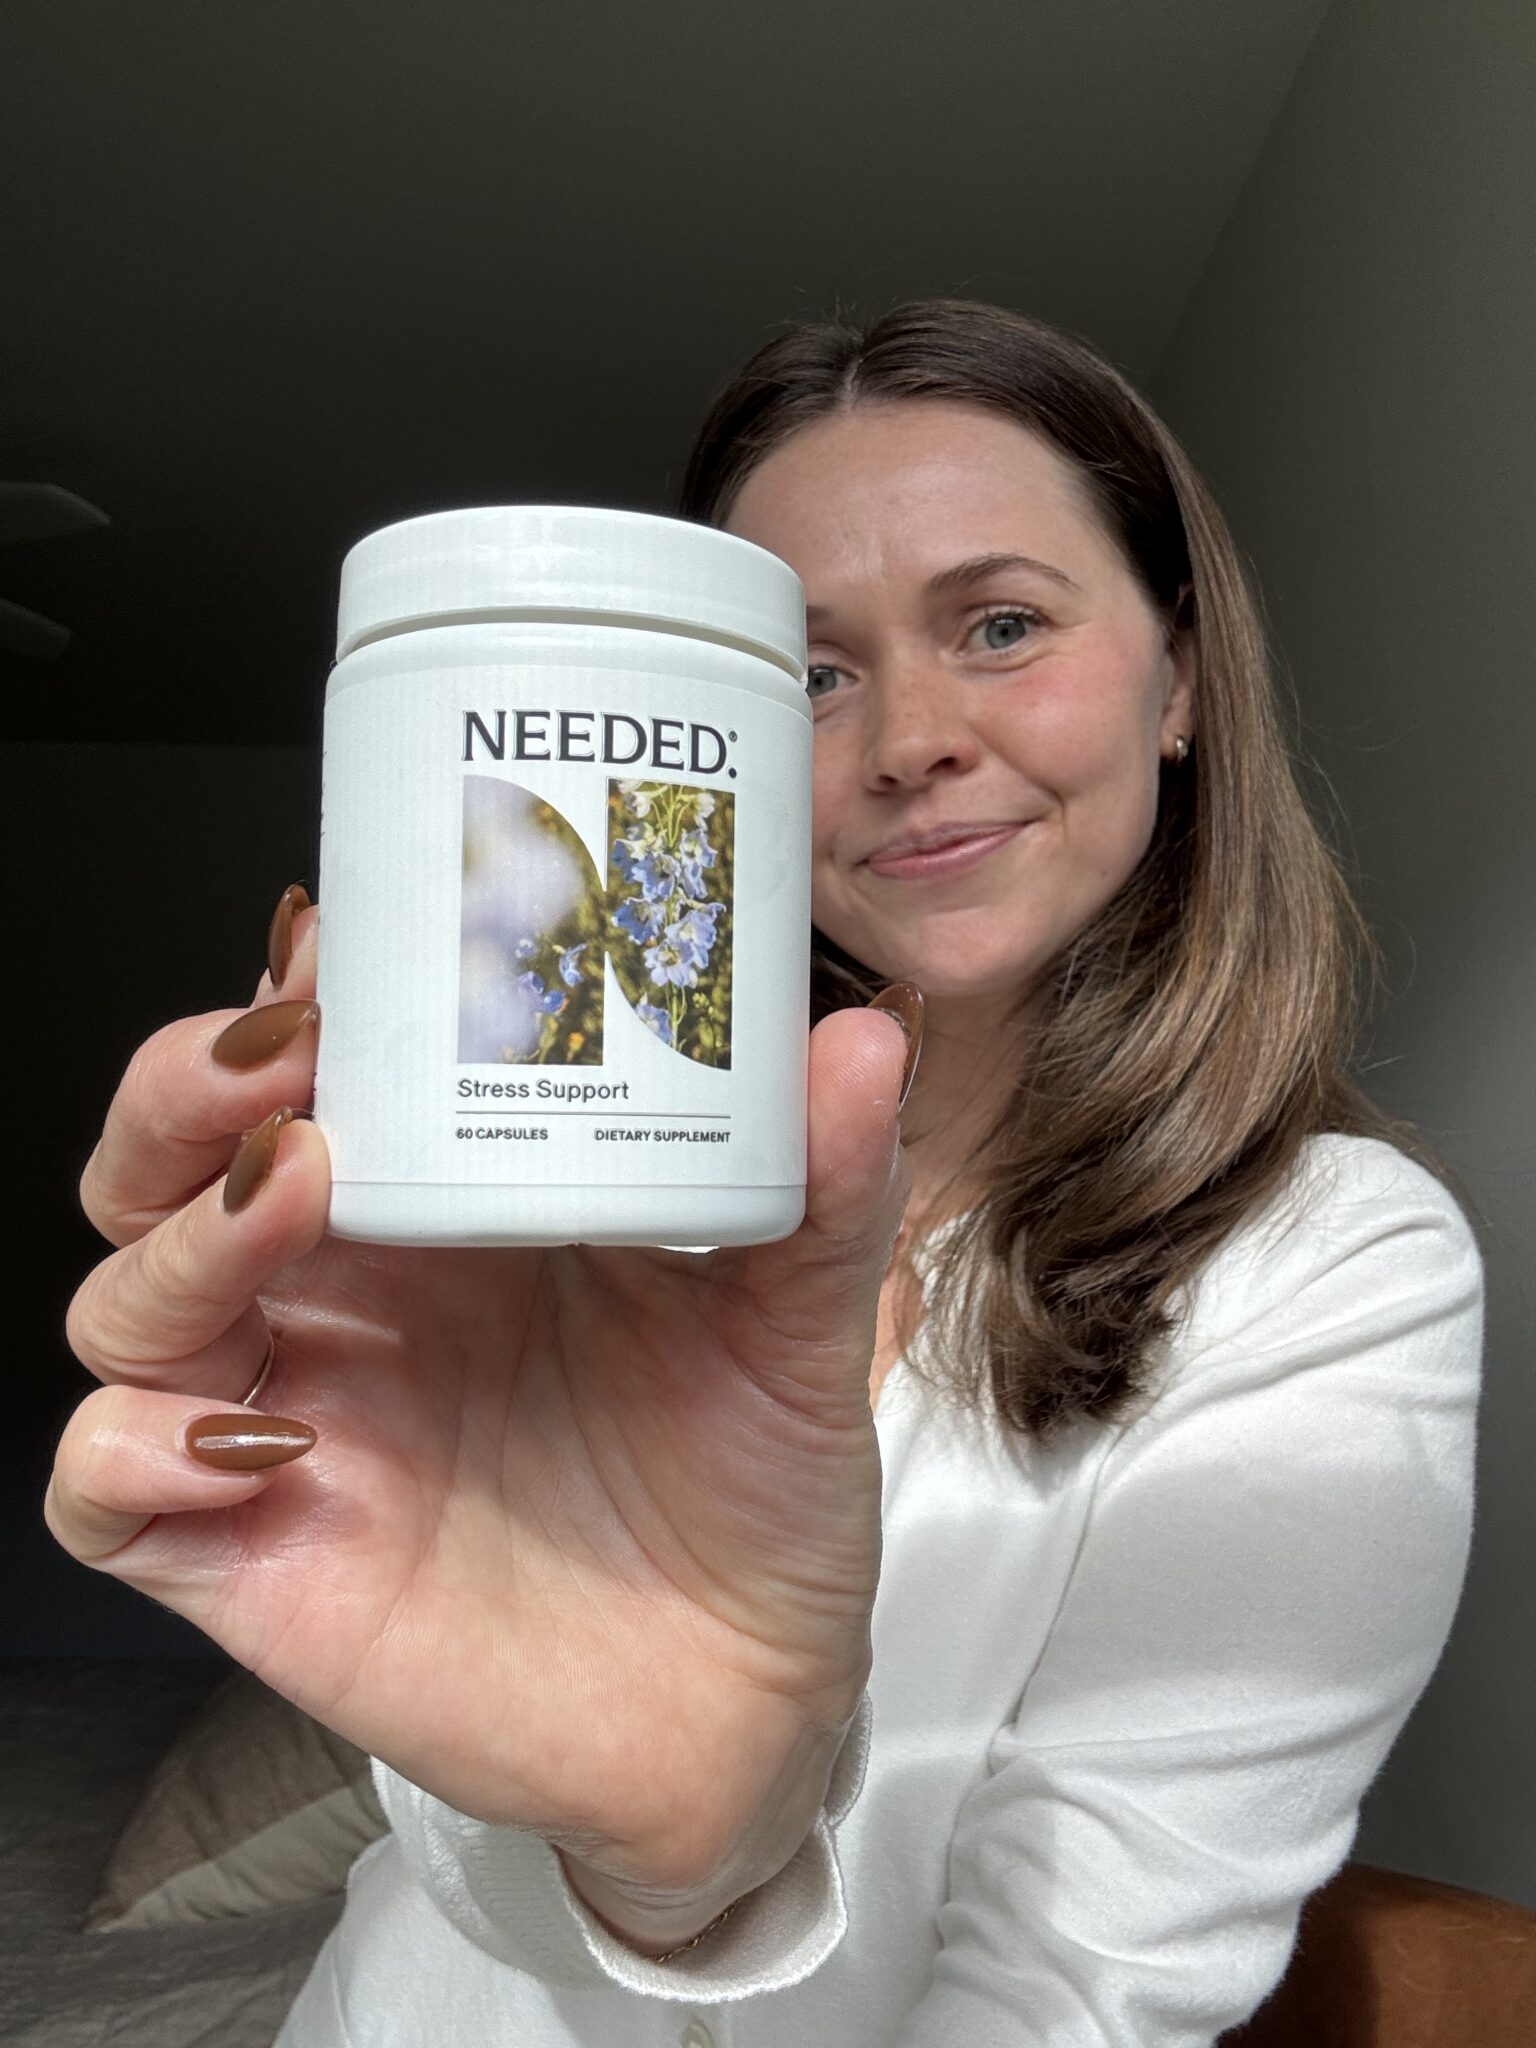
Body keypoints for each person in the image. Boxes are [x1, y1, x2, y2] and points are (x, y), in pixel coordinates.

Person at [45, 299, 1485, 2047]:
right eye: (808, 674)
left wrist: (707, 1848)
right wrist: (629, 1839)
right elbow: (468, 1851)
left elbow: (1074, 2000)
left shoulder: (1333, 1261)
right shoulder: (582, 1170)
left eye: (1004, 624)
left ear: (1179, 680)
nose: (905, 741)